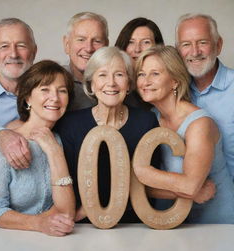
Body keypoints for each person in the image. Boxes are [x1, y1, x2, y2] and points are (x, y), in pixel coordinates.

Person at [54, 46, 160, 223]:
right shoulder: (70, 124)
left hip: (134, 224)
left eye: (119, 75)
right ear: (92, 84)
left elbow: (152, 182)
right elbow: (65, 182)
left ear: (128, 84)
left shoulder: (146, 122)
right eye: (102, 75)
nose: (111, 83)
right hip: (83, 226)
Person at [134, 45, 234, 223]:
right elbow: (135, 186)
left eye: (155, 74)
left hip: (216, 223)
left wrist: (142, 171)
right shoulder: (149, 119)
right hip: (170, 222)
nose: (145, 81)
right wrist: (181, 191)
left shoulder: (199, 124)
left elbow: (190, 185)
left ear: (175, 81)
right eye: (141, 74)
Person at [0, 60, 76, 236]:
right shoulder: (0, 150)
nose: (55, 97)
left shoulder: (60, 141)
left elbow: (65, 212)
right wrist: (39, 223)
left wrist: (54, 152)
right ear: (27, 98)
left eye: (62, 91)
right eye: (45, 89)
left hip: (52, 242)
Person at [175, 13, 234, 181]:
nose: (195, 52)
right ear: (178, 50)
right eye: (186, 44)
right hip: (186, 203)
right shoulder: (174, 92)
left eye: (202, 42)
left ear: (218, 44)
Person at [0, 18, 37, 162]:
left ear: (34, 51)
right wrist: (0, 135)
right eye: (4, 46)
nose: (13, 54)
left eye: (21, 45)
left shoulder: (49, 95)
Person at [63, 12, 109, 111]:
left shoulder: (117, 83)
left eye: (97, 41)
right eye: (81, 40)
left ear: (106, 46)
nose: (89, 48)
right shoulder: (53, 81)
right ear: (67, 44)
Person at [115, 17, 164, 109]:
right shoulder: (113, 83)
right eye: (131, 42)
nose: (137, 49)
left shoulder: (164, 80)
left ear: (158, 46)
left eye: (146, 42)